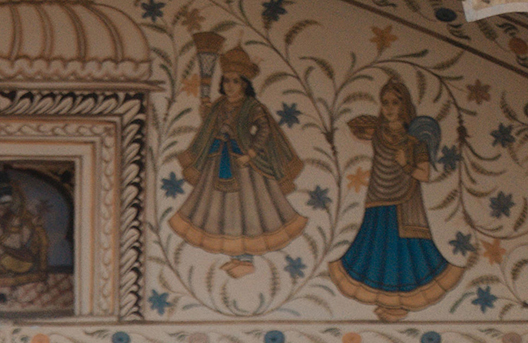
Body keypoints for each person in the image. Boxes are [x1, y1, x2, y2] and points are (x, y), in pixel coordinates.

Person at [328, 74, 464, 320]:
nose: (389, 108)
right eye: (385, 102)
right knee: (376, 253)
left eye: (395, 102)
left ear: (404, 106)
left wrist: (406, 165)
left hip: (404, 202)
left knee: (406, 256)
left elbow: (424, 174)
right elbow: (361, 129)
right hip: (378, 199)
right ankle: (387, 302)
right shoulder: (379, 133)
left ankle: (400, 305)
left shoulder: (415, 140)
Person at [169, 42, 305, 277]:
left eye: (234, 80)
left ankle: (246, 259)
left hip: (245, 164)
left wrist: (250, 154)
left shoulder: (252, 106)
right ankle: (236, 255)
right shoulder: (221, 104)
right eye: (226, 80)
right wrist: (207, 114)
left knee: (249, 209)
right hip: (219, 159)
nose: (229, 85)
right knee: (225, 208)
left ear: (244, 83)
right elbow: (214, 124)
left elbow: (264, 130)